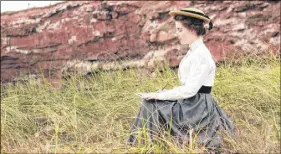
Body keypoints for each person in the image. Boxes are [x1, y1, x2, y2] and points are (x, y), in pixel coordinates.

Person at [128, 8, 234, 149]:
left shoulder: (200, 55)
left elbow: (190, 90)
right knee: (150, 103)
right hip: (191, 103)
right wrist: (161, 96)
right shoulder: (194, 51)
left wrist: (159, 95)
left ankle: (143, 147)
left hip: (196, 107)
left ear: (191, 30)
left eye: (179, 30)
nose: (177, 34)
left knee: (150, 105)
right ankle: (145, 146)